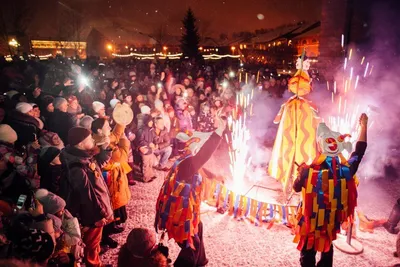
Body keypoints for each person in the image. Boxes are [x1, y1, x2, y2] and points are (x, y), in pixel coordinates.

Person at [292, 114, 368, 267]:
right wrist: (364, 127)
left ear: (321, 147)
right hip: (330, 224)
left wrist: (300, 175)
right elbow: (358, 153)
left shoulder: (308, 170)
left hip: (310, 224)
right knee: (327, 249)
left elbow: (295, 188)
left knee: (307, 253)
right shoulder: (345, 170)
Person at [154, 116, 227, 267]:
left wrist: (215, 177)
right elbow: (204, 155)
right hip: (181, 214)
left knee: (198, 228)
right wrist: (219, 132)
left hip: (184, 211)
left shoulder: (186, 160)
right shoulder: (189, 162)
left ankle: (200, 261)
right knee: (191, 245)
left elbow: (200, 167)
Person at [59, 127, 113, 267]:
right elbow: (86, 195)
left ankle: (95, 261)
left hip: (94, 211)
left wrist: (106, 150)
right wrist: (98, 215)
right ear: (81, 143)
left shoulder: (82, 157)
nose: (93, 140)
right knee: (92, 244)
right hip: (91, 214)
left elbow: (96, 169)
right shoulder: (77, 166)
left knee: (95, 243)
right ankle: (94, 264)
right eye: (89, 139)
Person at [91, 118, 132, 249]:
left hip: (113, 176)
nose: (110, 128)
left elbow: (114, 135)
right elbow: (122, 156)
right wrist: (124, 141)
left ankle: (111, 228)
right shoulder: (102, 142)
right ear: (99, 130)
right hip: (108, 178)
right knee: (109, 207)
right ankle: (105, 237)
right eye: (107, 126)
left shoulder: (102, 137)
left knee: (115, 206)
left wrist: (122, 121)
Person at [136, 115, 157, 182]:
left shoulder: (151, 129)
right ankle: (146, 178)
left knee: (150, 163)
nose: (151, 123)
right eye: (150, 121)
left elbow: (154, 137)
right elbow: (140, 140)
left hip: (150, 150)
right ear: (146, 121)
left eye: (152, 121)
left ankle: (150, 174)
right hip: (145, 150)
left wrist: (155, 143)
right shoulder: (142, 130)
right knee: (146, 164)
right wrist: (148, 144)